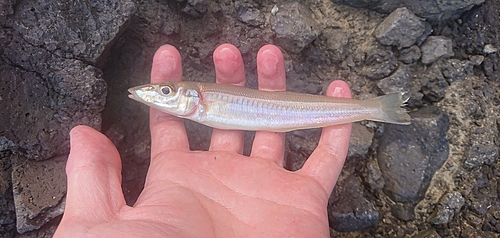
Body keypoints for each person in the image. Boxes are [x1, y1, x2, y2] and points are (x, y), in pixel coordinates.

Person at [54, 44, 352, 238]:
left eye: (166, 92)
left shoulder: (204, 102)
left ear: (193, 96)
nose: (155, 96)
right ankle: (377, 109)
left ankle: (376, 108)